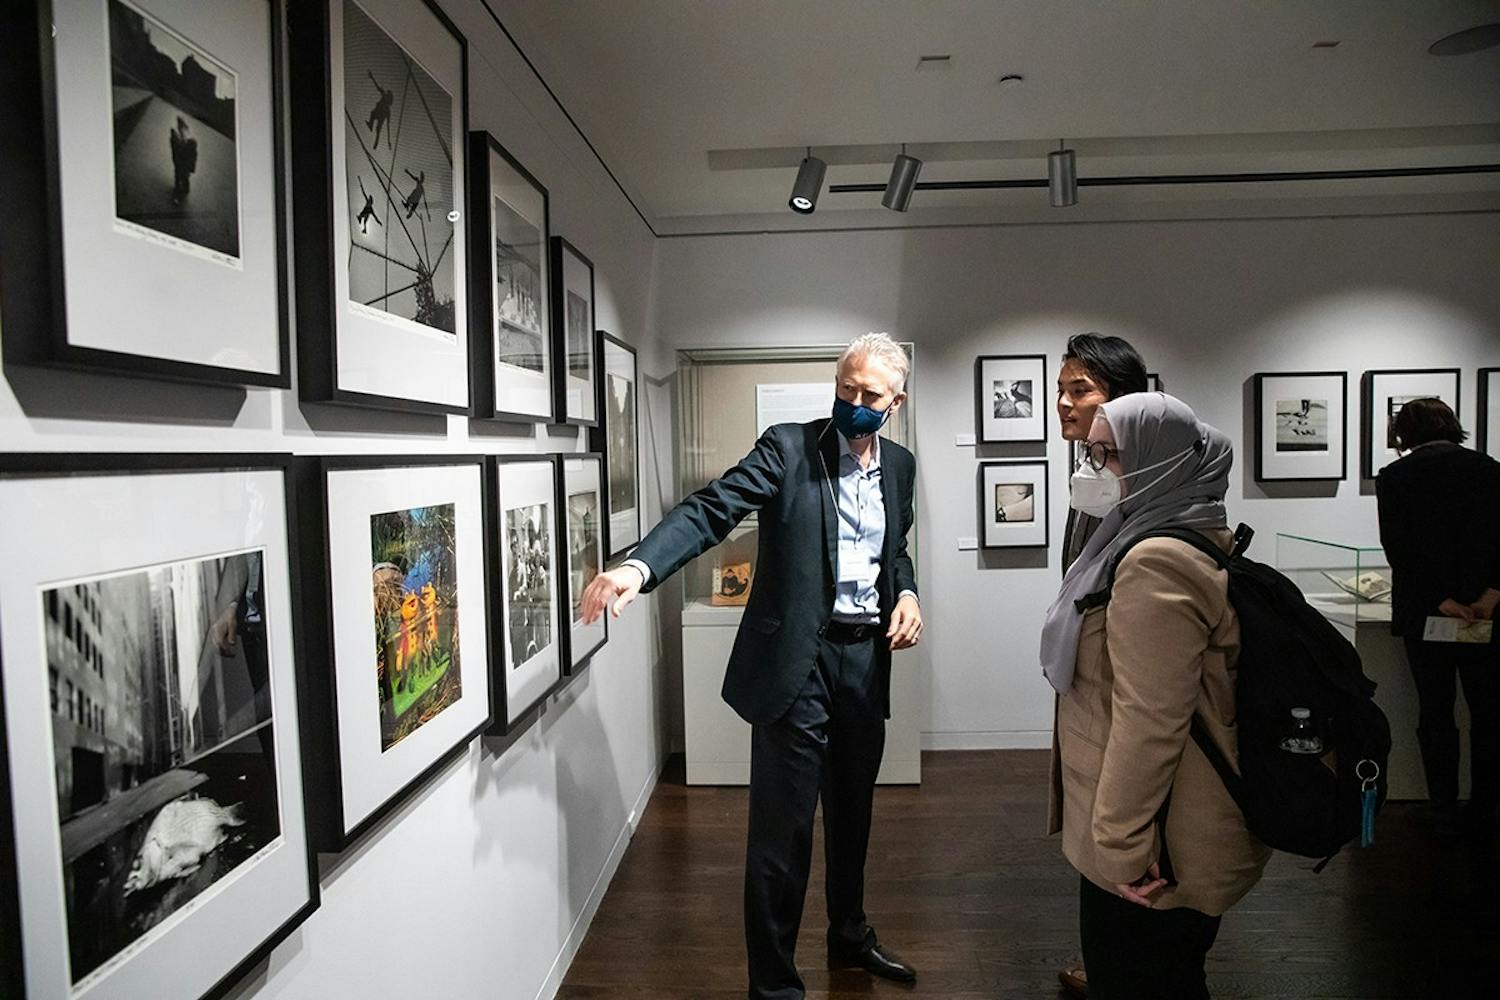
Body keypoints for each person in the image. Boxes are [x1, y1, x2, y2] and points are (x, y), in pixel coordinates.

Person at [581, 333, 923, 1000]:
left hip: (864, 660)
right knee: (782, 838)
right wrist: (638, 565)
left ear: (896, 404)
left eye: (870, 396)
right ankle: (773, 989)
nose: (854, 403)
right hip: (798, 662)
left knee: (853, 815)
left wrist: (906, 593)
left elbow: (896, 548)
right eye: (845, 390)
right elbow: (712, 509)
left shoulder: (902, 465)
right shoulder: (789, 448)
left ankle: (850, 935)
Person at [1042, 393, 1269, 1000]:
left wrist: (1122, 846)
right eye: (1090, 452)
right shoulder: (1160, 535)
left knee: (1143, 981)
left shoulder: (1156, 561)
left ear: (1160, 461)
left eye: (1109, 454)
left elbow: (1151, 720)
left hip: (1157, 842)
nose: (1092, 468)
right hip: (1156, 825)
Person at [1052, 332, 1151, 999]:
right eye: (1061, 389)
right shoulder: (1095, 472)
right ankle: (1108, 961)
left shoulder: (1144, 481)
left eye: (1080, 388)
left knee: (1124, 825)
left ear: (1123, 397)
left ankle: (1127, 968)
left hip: (1128, 692)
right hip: (1091, 688)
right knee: (1095, 827)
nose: (1063, 402)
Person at [1376, 396, 1500, 834]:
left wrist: (1440, 599)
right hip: (1486, 612)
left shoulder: (1396, 477)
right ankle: (1486, 807)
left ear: (1405, 434)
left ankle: (1443, 804)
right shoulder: (1489, 469)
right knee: (1487, 712)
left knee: (1435, 710)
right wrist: (1489, 595)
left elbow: (1400, 549)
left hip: (1427, 614)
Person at [168, 116, 198, 207]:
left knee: (180, 177)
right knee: (182, 178)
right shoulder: (184, 137)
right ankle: (183, 190)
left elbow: (189, 154)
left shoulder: (188, 141)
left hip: (182, 164)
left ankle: (179, 194)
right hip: (182, 164)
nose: (179, 129)